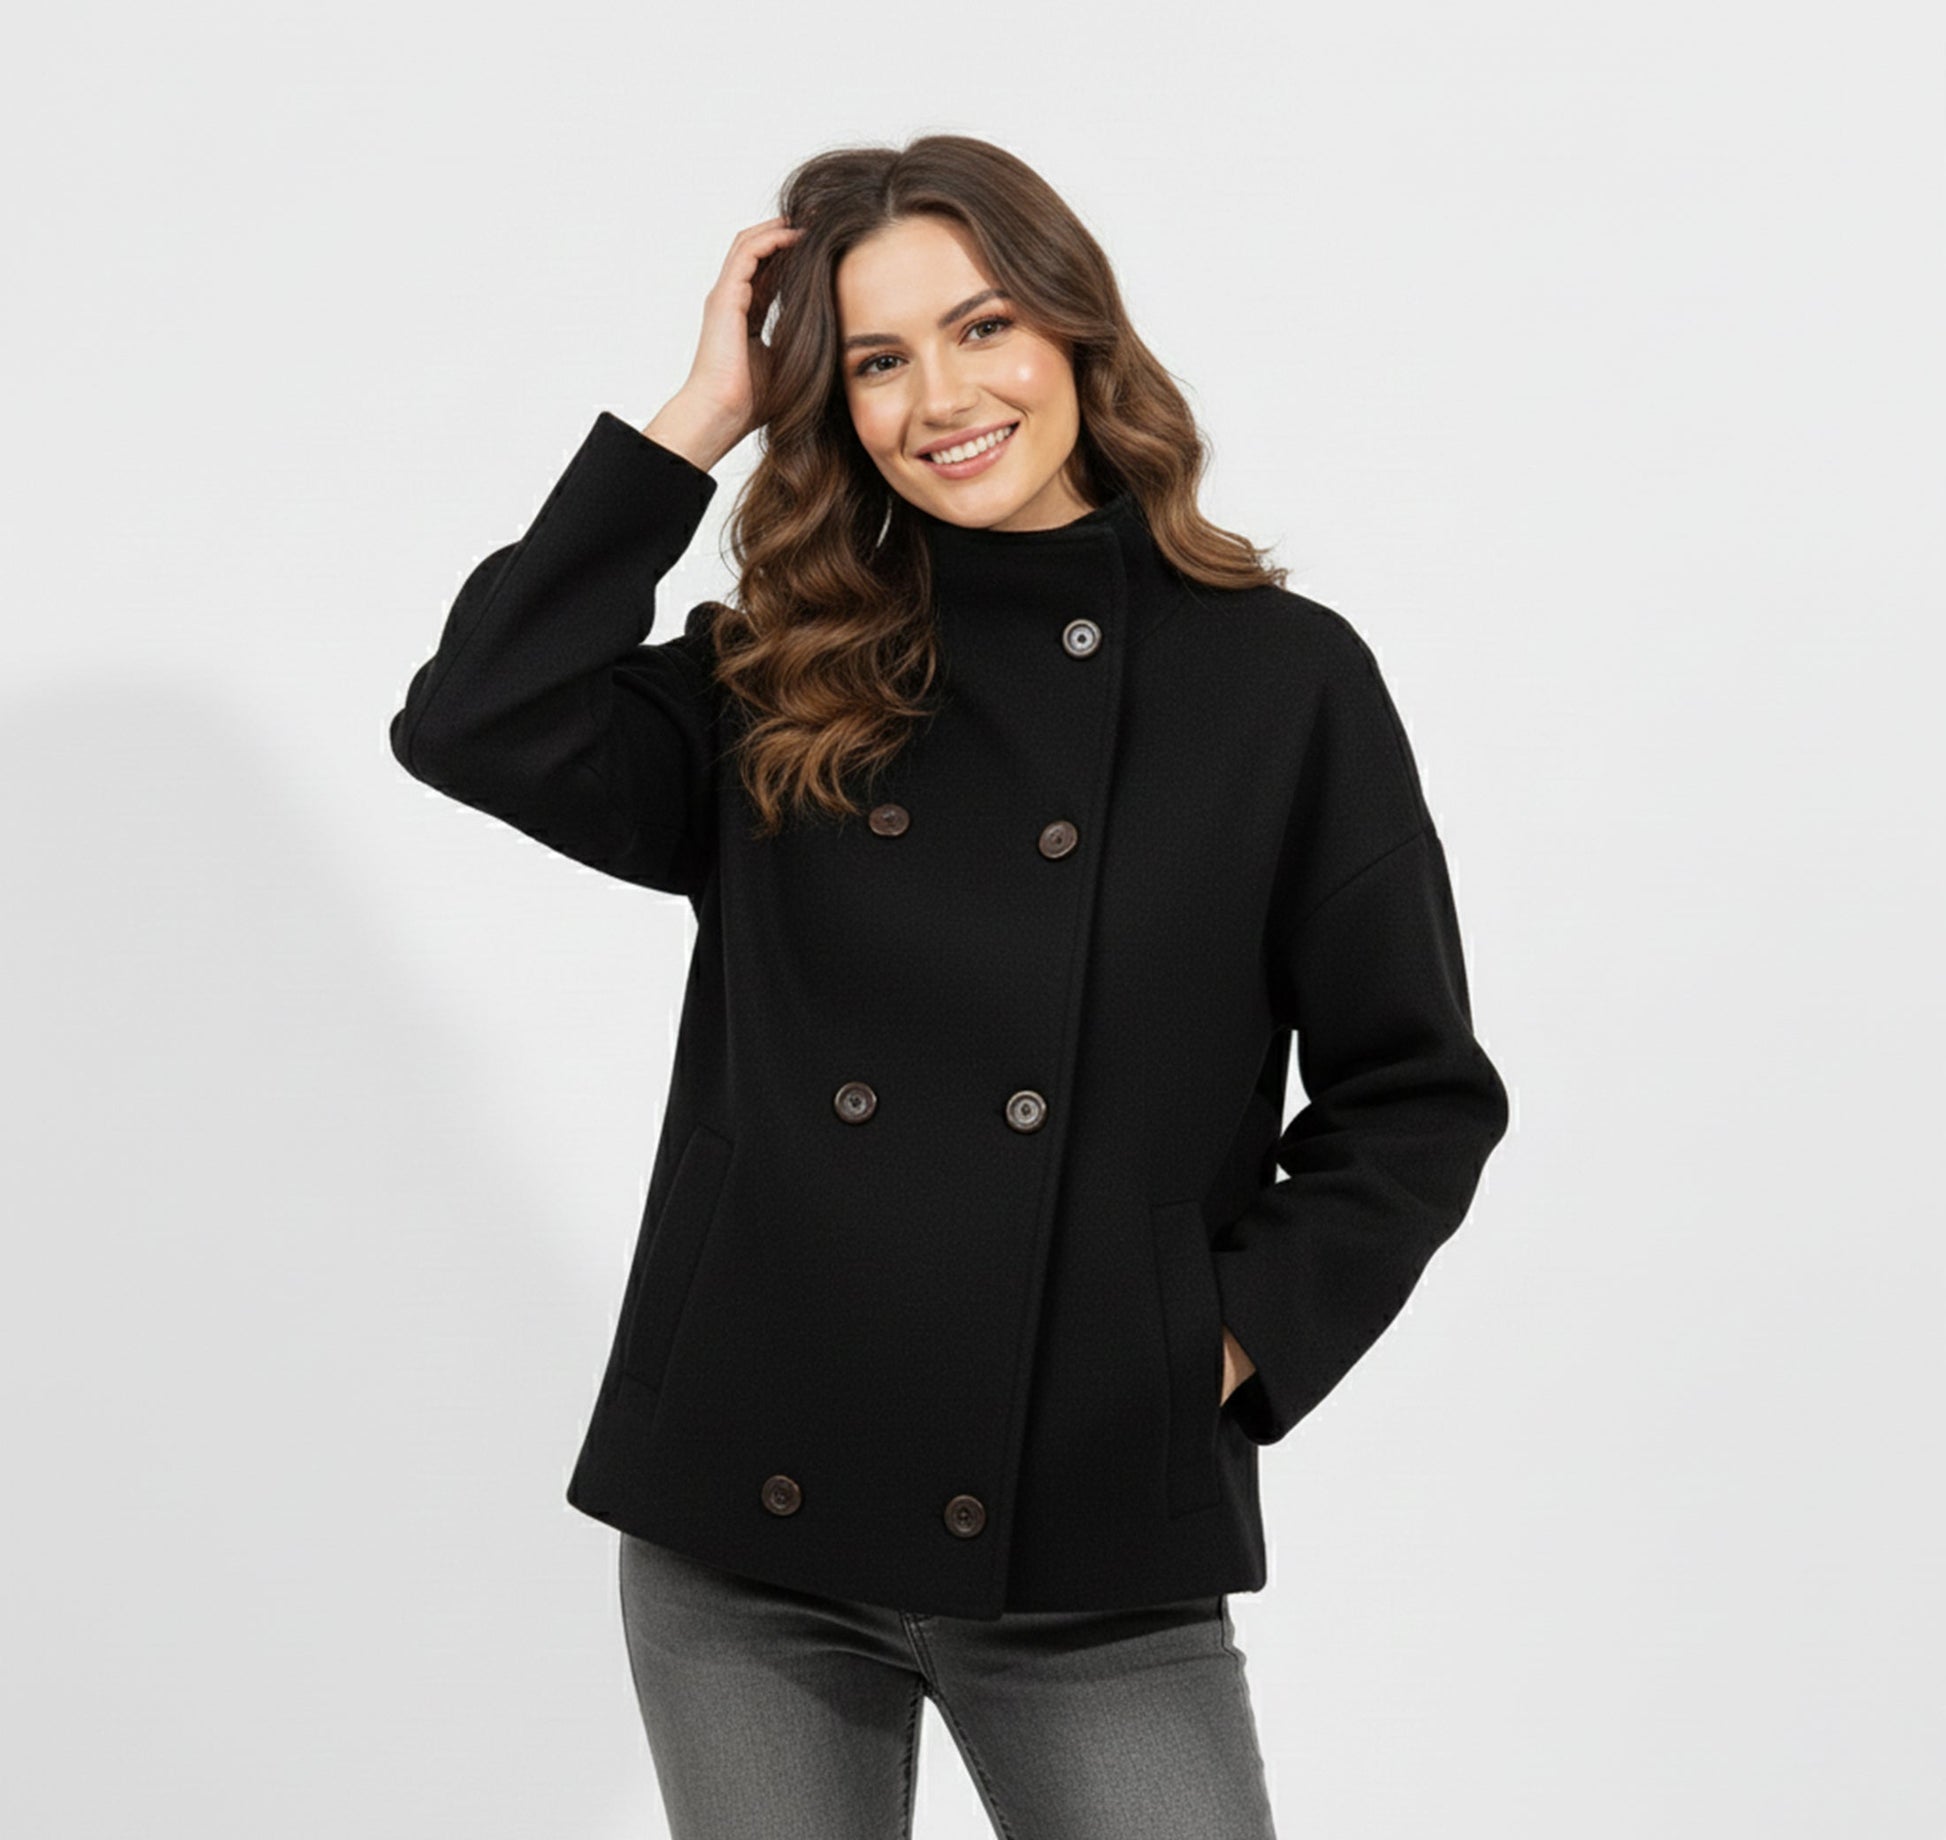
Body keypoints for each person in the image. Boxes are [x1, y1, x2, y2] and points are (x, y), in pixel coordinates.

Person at [388, 134, 1510, 1840]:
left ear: (1073, 331)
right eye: (876, 361)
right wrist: (699, 413)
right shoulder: (782, 668)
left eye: (983, 328)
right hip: (746, 1521)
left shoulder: (1276, 680)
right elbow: (476, 720)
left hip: (1086, 1527)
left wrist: (1206, 1348)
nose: (942, 399)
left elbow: (1414, 1095)